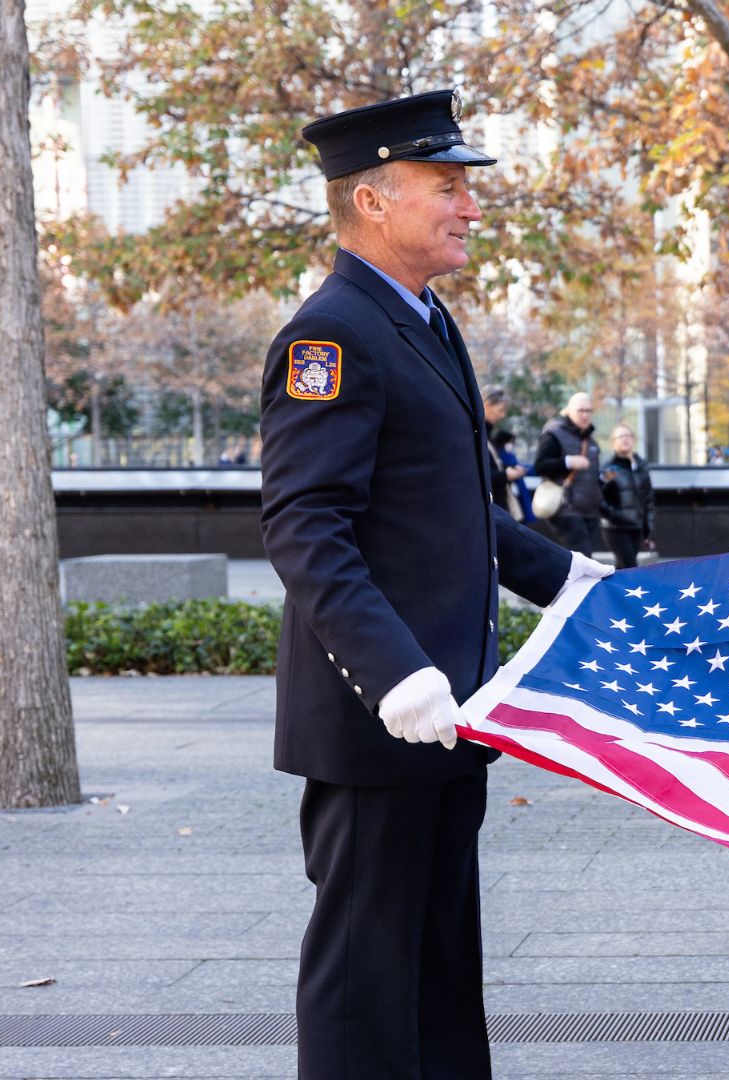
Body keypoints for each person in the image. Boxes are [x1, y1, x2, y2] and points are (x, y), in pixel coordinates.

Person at [262, 89, 611, 1079]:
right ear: (374, 201)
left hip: (449, 712)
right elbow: (304, 524)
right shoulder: (330, 337)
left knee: (438, 962)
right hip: (386, 717)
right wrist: (395, 674)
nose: (470, 206)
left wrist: (571, 580)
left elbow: (453, 511)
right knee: (365, 974)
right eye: (447, 186)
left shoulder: (419, 317)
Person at [534, 392, 604, 555]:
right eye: (581, 410)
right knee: (582, 557)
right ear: (568, 411)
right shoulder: (554, 434)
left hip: (590, 508)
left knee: (585, 561)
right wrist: (568, 462)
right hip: (566, 508)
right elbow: (539, 466)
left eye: (589, 411)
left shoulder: (590, 439)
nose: (585, 415)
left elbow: (592, 474)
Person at [600, 424, 656, 567]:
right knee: (630, 567)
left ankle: (613, 590)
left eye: (628, 436)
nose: (625, 439)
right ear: (613, 442)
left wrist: (648, 529)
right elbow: (598, 498)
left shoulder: (642, 467)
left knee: (622, 568)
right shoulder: (609, 468)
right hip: (615, 528)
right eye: (620, 437)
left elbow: (648, 500)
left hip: (636, 528)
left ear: (633, 440)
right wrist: (616, 515)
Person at [483, 387, 525, 520]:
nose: (502, 416)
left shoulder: (488, 437)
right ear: (487, 404)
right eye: (500, 410)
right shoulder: (477, 437)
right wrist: (506, 475)